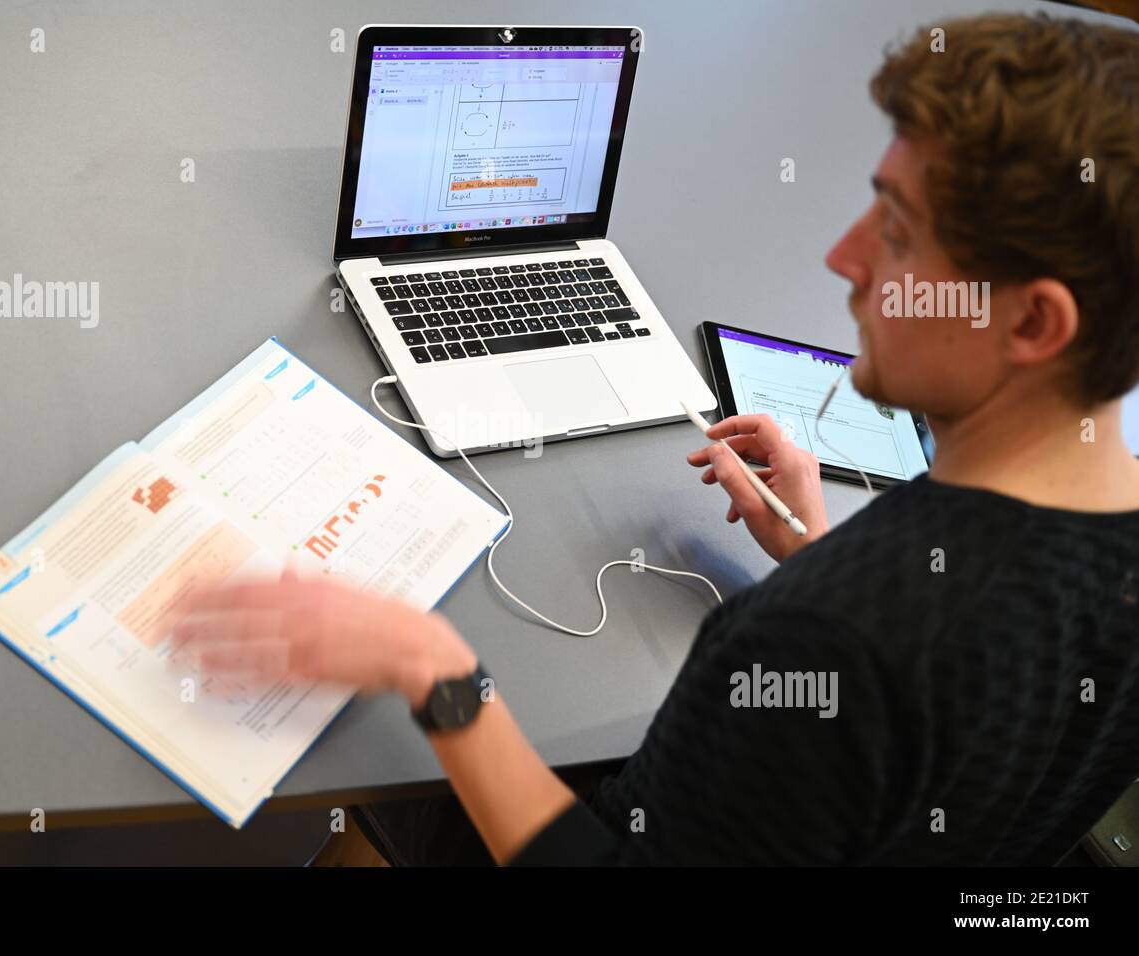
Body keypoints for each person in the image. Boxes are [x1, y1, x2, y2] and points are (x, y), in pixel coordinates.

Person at [173, 13, 1139, 865]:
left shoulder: (830, 636)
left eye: (898, 230)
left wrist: (433, 666)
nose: (842, 257)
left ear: (1033, 325)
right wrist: (816, 552)